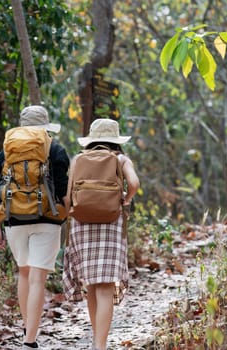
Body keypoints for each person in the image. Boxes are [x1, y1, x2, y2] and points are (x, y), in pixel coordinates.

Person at [0, 105, 70, 350]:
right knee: (38, 279)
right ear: (45, 126)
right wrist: (70, 217)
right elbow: (63, 188)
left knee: (23, 273)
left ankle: (28, 327)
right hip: (48, 219)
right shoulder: (54, 149)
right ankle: (30, 340)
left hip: (14, 219)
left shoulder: (6, 151)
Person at [63, 118, 140, 350]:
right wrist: (125, 200)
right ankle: (100, 345)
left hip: (81, 223)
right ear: (116, 140)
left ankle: (97, 339)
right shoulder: (121, 159)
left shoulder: (78, 160)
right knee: (105, 285)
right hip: (111, 222)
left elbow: (67, 196)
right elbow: (134, 183)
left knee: (92, 286)